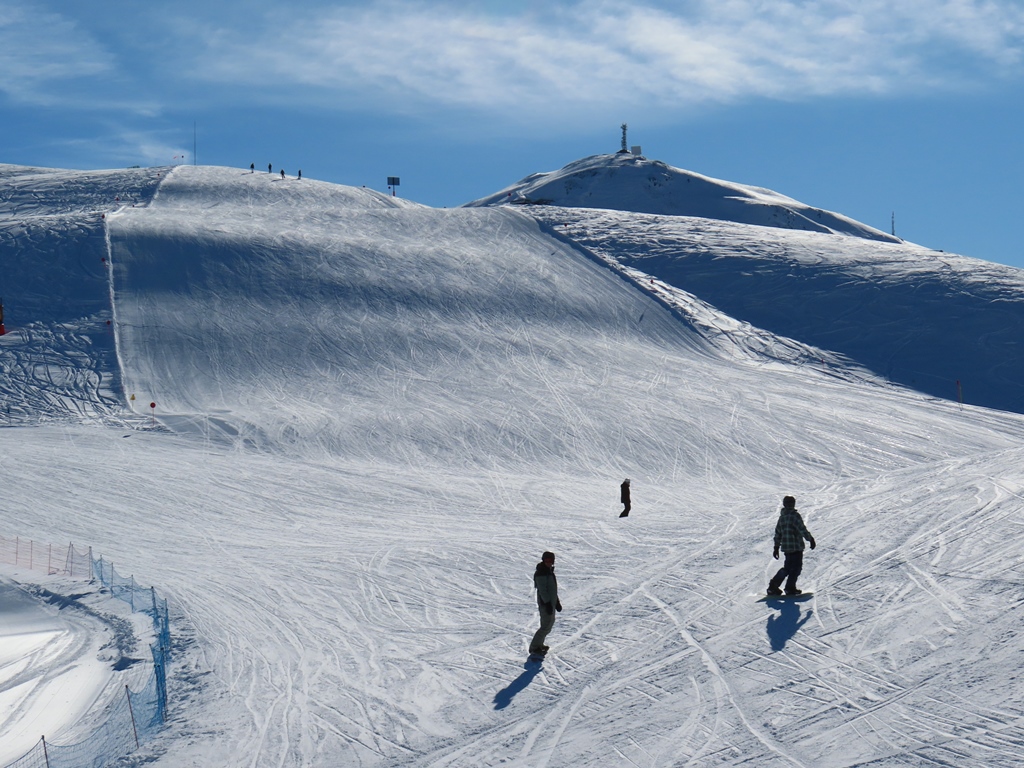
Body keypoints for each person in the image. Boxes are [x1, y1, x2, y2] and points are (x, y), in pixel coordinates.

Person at [768, 496, 816, 596]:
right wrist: (810, 539)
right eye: (790, 503)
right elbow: (802, 529)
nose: (791, 505)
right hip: (796, 547)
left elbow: (778, 534)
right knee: (796, 568)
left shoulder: (782, 518)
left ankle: (773, 587)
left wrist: (776, 547)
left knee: (787, 568)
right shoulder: (795, 516)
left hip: (787, 548)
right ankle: (790, 588)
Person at [529, 551, 561, 656]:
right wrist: (547, 603)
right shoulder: (541, 573)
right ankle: (534, 647)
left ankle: (539, 644)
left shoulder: (549, 571)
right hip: (545, 603)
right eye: (546, 560)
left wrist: (557, 602)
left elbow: (552, 589)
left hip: (550, 602)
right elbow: (543, 590)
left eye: (550, 560)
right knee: (546, 625)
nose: (548, 562)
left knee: (549, 625)